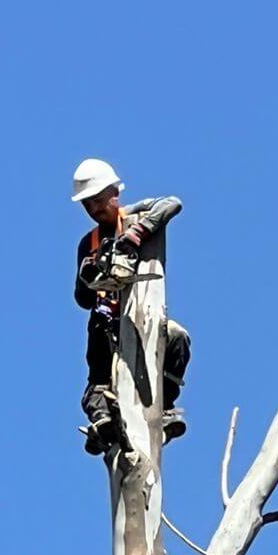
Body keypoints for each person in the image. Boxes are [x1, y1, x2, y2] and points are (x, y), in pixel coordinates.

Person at [71, 157, 191, 455]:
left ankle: (162, 407)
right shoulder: (89, 243)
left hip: (143, 318)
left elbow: (172, 203)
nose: (95, 209)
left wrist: (135, 236)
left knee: (177, 339)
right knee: (99, 382)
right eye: (88, 205)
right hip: (104, 324)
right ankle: (104, 422)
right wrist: (91, 275)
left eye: (99, 200)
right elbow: (82, 299)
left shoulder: (137, 215)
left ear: (115, 192)